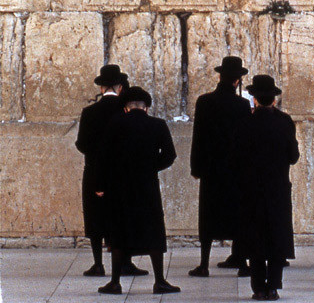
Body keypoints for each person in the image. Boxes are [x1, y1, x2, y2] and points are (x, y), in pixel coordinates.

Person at [97, 87, 179, 294]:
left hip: (120, 186)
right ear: (147, 107)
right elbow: (169, 155)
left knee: (120, 230)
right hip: (147, 185)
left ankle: (115, 282)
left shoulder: (115, 124)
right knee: (153, 230)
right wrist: (151, 166)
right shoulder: (157, 125)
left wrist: (101, 185)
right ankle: (159, 281)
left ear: (125, 107)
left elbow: (104, 157)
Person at [75, 64, 146, 277]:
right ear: (119, 87)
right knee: (122, 216)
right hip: (122, 173)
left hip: (94, 171)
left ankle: (98, 264)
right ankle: (125, 262)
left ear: (102, 87)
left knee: (96, 218)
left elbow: (81, 144)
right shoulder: (125, 110)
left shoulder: (89, 112)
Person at [234, 75, 299, 301]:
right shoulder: (285, 121)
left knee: (256, 237)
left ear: (254, 98)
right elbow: (293, 156)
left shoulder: (244, 123)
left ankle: (258, 287)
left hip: (250, 189)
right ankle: (273, 286)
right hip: (278, 187)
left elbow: (236, 158)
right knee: (276, 236)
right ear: (273, 99)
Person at [189, 56, 252, 278]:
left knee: (208, 216)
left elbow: (198, 137)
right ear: (238, 80)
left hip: (211, 169)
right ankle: (243, 263)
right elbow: (246, 141)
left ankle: (204, 264)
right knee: (237, 214)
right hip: (235, 171)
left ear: (220, 76)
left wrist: (196, 168)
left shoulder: (204, 102)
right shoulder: (243, 105)